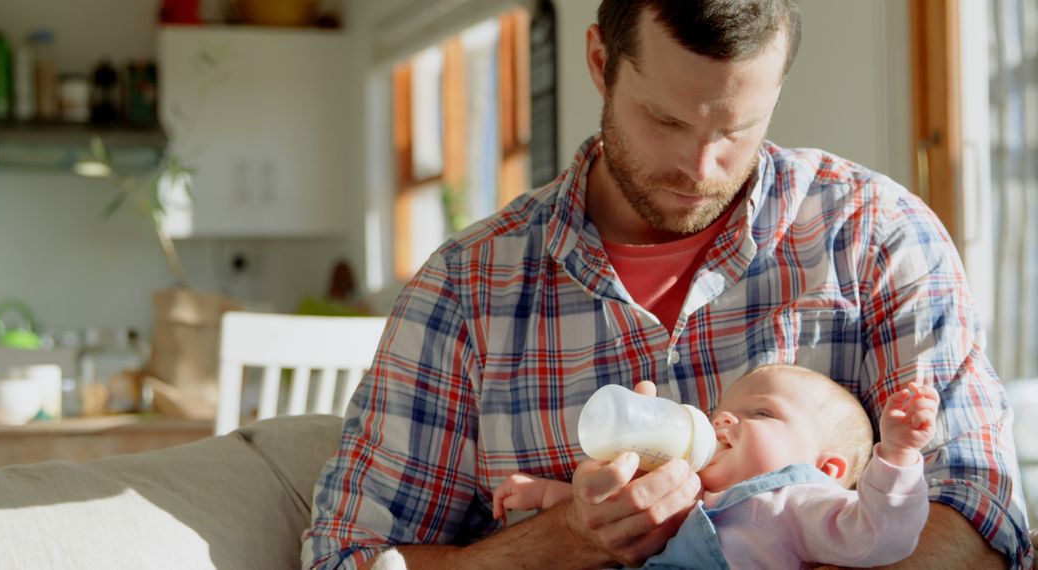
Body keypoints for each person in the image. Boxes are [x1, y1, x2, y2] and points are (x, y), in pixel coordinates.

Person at [304, 1, 1033, 568]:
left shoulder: (874, 236)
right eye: (664, 119)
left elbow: (979, 520)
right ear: (600, 60)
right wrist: (565, 542)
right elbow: (350, 559)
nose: (701, 167)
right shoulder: (466, 292)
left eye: (737, 129)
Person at [492, 364, 938, 568]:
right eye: (722, 410)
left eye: (760, 414)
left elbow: (883, 537)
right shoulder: (689, 496)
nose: (722, 419)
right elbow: (615, 513)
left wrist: (897, 455)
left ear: (827, 470)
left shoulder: (797, 503)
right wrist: (545, 494)